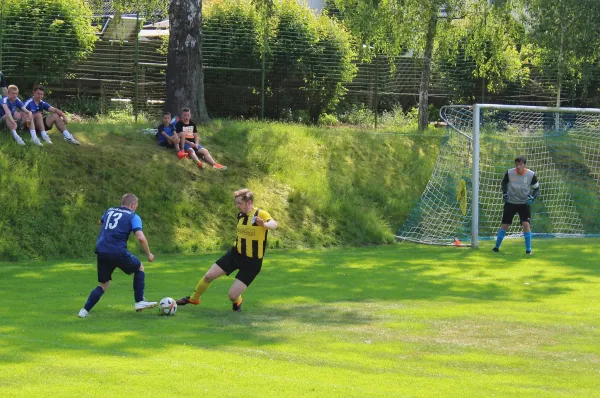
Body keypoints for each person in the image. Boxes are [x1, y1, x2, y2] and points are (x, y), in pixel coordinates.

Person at [176, 188, 277, 312]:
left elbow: (274, 224)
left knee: (232, 296)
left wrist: (264, 225)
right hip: (235, 255)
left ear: (249, 202)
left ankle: (238, 301)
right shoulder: (240, 215)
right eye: (236, 203)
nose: (237, 206)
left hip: (252, 263)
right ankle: (194, 299)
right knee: (209, 276)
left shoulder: (261, 214)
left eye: (239, 203)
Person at [78, 193, 157, 318]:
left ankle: (84, 311)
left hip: (102, 250)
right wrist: (149, 254)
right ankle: (139, 301)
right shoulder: (133, 216)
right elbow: (141, 237)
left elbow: (100, 222)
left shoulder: (110, 210)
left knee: (103, 284)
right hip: (117, 251)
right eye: (136, 206)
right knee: (139, 267)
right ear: (132, 205)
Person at [492, 156, 540, 254]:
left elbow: (537, 188)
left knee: (526, 225)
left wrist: (533, 198)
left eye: (520, 164)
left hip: (524, 204)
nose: (518, 166)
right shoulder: (510, 172)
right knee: (505, 225)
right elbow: (504, 183)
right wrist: (504, 193)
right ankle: (496, 248)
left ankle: (528, 250)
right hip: (510, 202)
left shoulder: (531, 175)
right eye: (516, 164)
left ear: (524, 165)